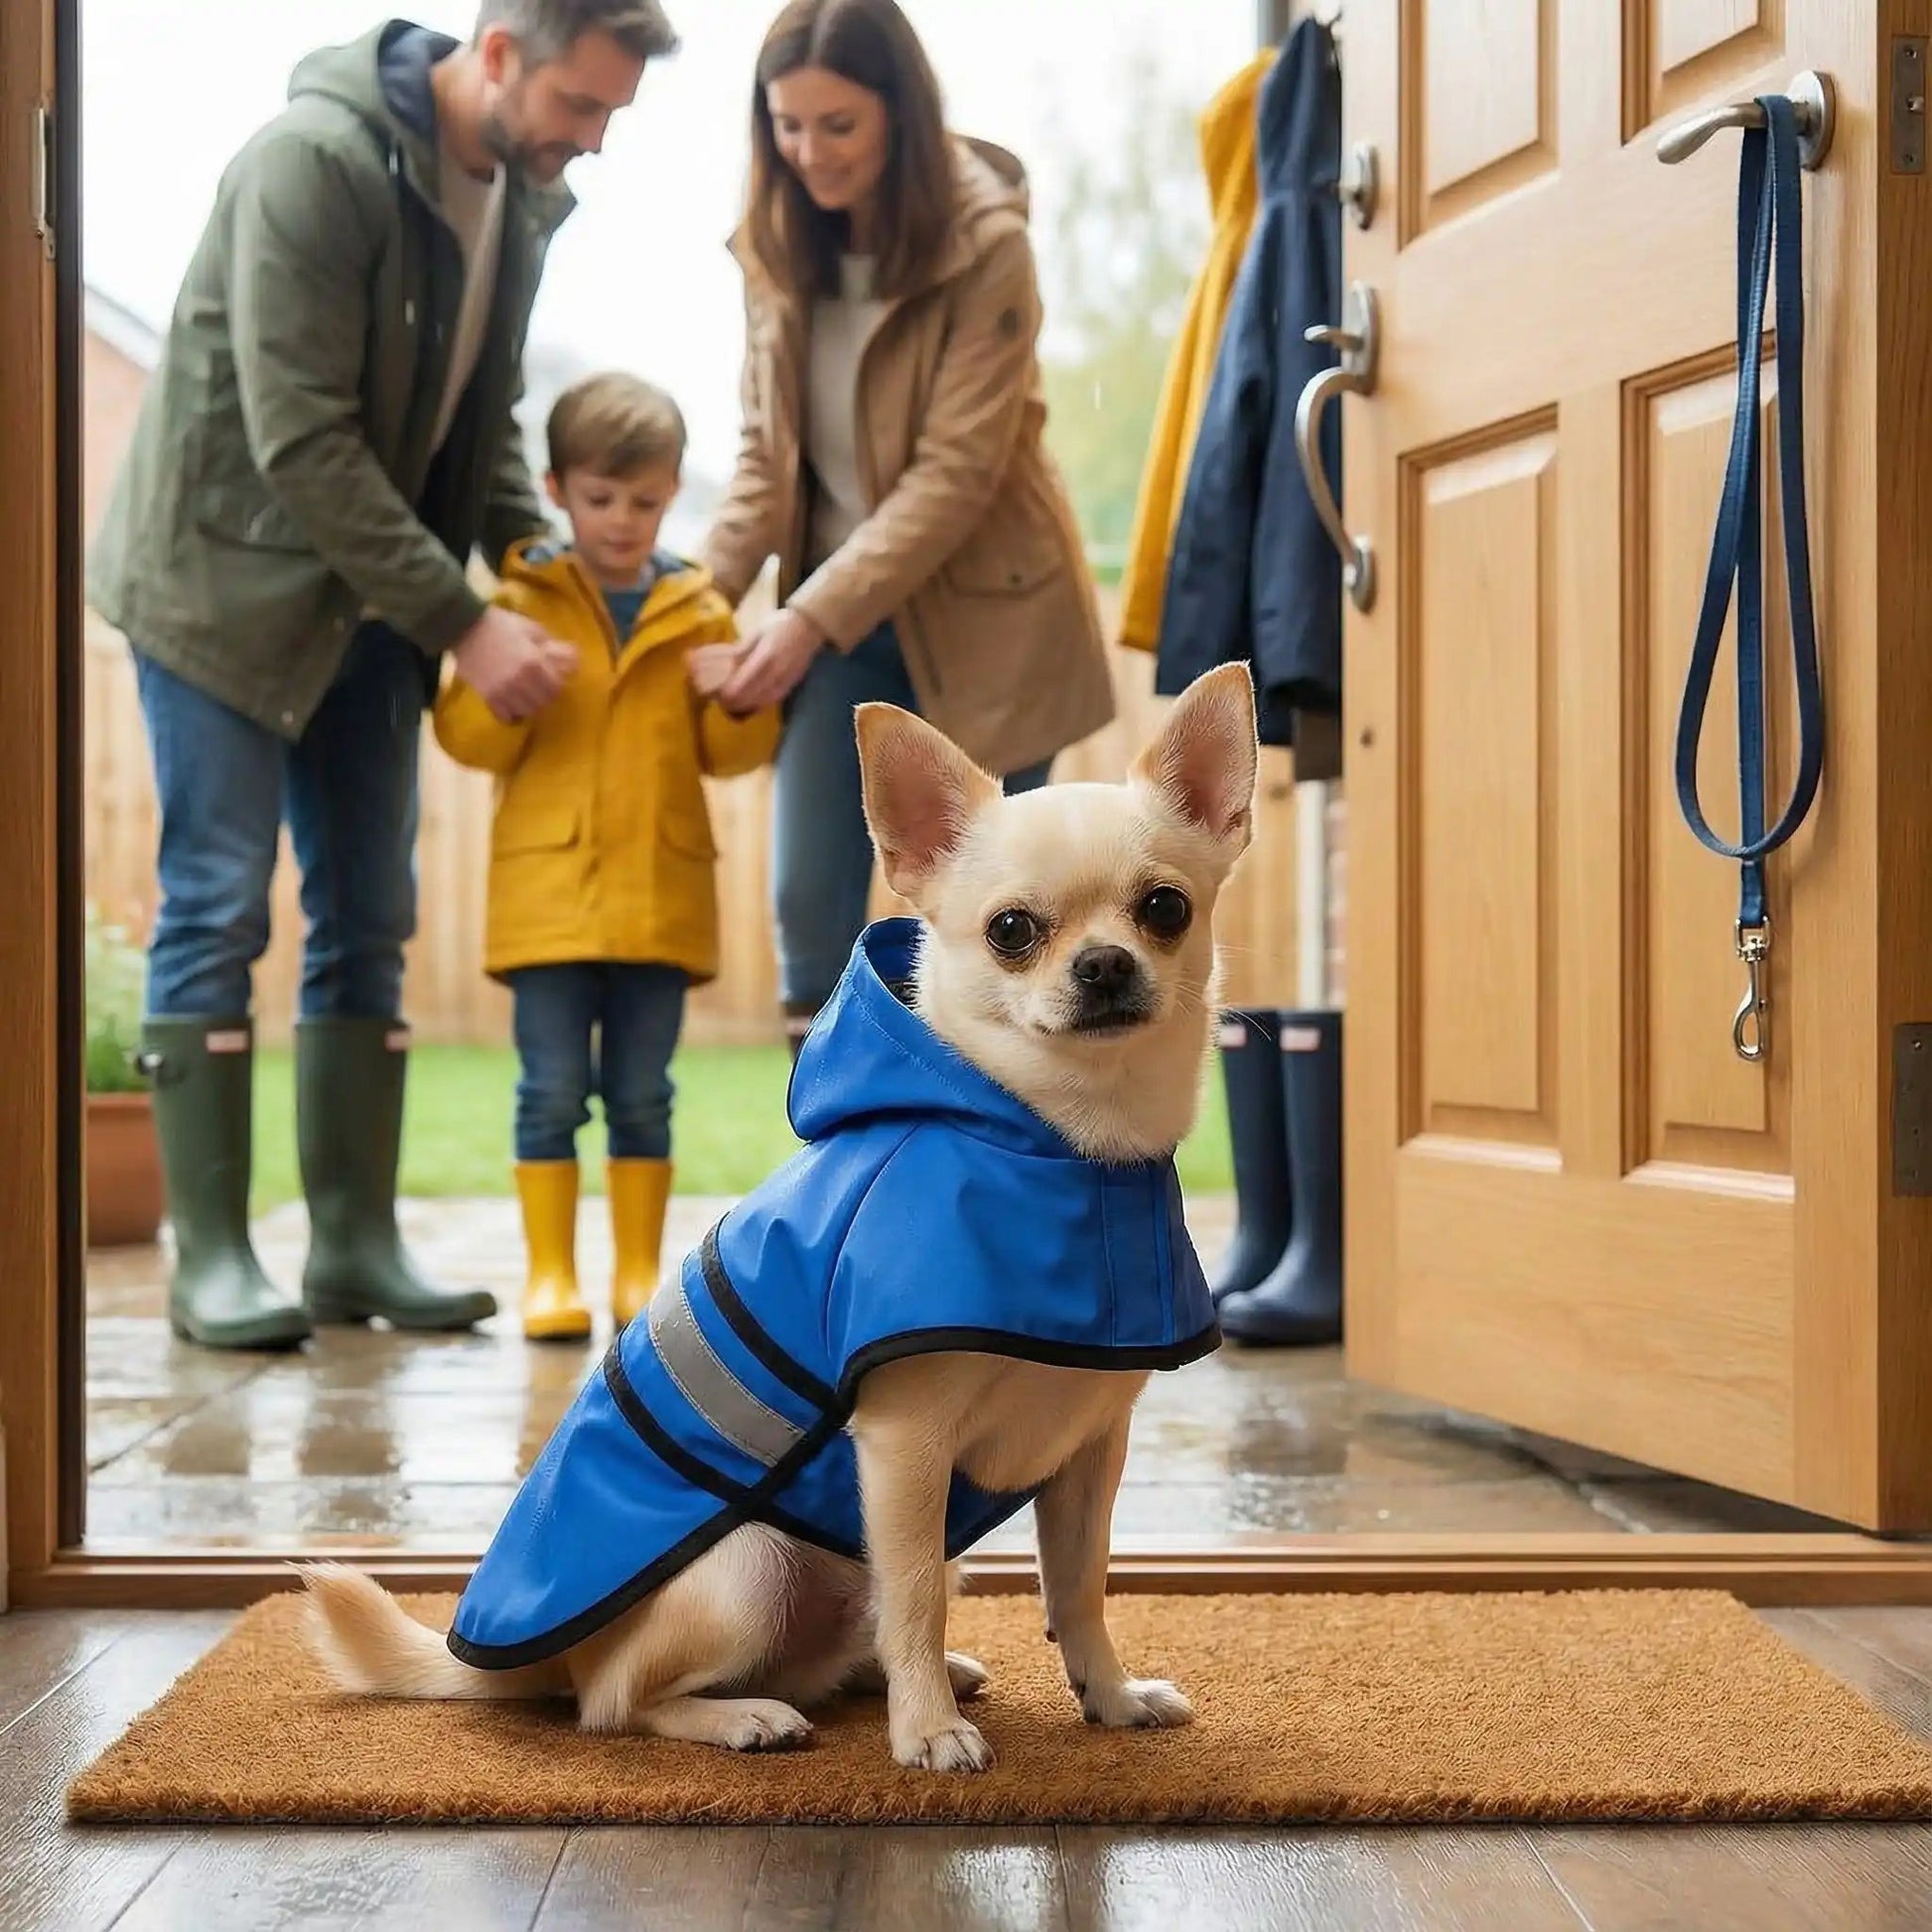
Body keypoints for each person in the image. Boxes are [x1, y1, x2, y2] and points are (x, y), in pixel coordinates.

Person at [85, 2, 680, 1351]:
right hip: (221, 583)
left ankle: (353, 1241)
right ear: (496, 55)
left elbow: (482, 421)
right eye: (579, 108)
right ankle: (217, 1255)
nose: (590, 142)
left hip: (371, 593)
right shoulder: (314, 164)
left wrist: (541, 561)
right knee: (218, 900)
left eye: (608, 117)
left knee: (370, 914)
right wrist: (468, 620)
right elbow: (301, 438)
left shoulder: (519, 200)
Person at [701, 0, 1117, 1054]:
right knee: (806, 898)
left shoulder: (987, 244)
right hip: (837, 623)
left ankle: (1012, 1180)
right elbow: (762, 458)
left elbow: (954, 474)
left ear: (899, 114)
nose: (808, 152)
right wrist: (683, 605)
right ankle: (833, 1170)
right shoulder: (771, 248)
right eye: (786, 126)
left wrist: (797, 618)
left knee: (1019, 918)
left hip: (990, 625)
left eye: (836, 125)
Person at [434, 373, 779, 1342]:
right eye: (599, 497)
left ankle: (634, 1272)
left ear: (672, 493)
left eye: (644, 499)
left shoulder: (698, 608)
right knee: (547, 1090)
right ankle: (550, 1275)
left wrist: (740, 696)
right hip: (546, 900)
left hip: (659, 898)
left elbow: (730, 755)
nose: (621, 519)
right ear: (554, 487)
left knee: (642, 1092)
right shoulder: (519, 598)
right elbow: (470, 742)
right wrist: (502, 690)